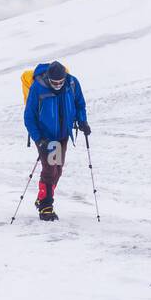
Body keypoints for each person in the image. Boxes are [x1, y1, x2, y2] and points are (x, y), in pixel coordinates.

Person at [23, 61, 90, 221]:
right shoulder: (38, 87)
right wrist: (39, 140)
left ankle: (43, 198)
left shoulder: (72, 82)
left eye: (61, 81)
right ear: (48, 78)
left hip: (62, 133)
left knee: (57, 170)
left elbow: (79, 104)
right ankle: (46, 206)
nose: (58, 85)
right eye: (55, 82)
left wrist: (82, 121)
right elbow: (29, 117)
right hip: (46, 136)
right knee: (50, 170)